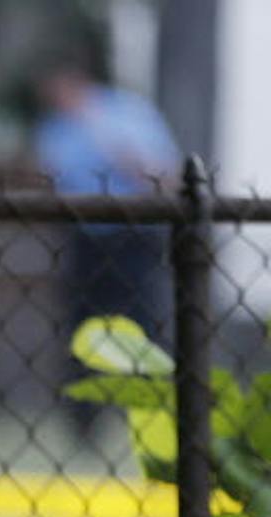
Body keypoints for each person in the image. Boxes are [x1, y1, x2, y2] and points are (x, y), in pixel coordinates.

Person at [33, 54, 182, 433]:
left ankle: (151, 416)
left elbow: (161, 173)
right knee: (81, 327)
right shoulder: (54, 128)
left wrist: (99, 128)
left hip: (134, 233)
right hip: (84, 237)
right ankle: (84, 423)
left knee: (144, 323)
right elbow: (52, 179)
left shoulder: (127, 112)